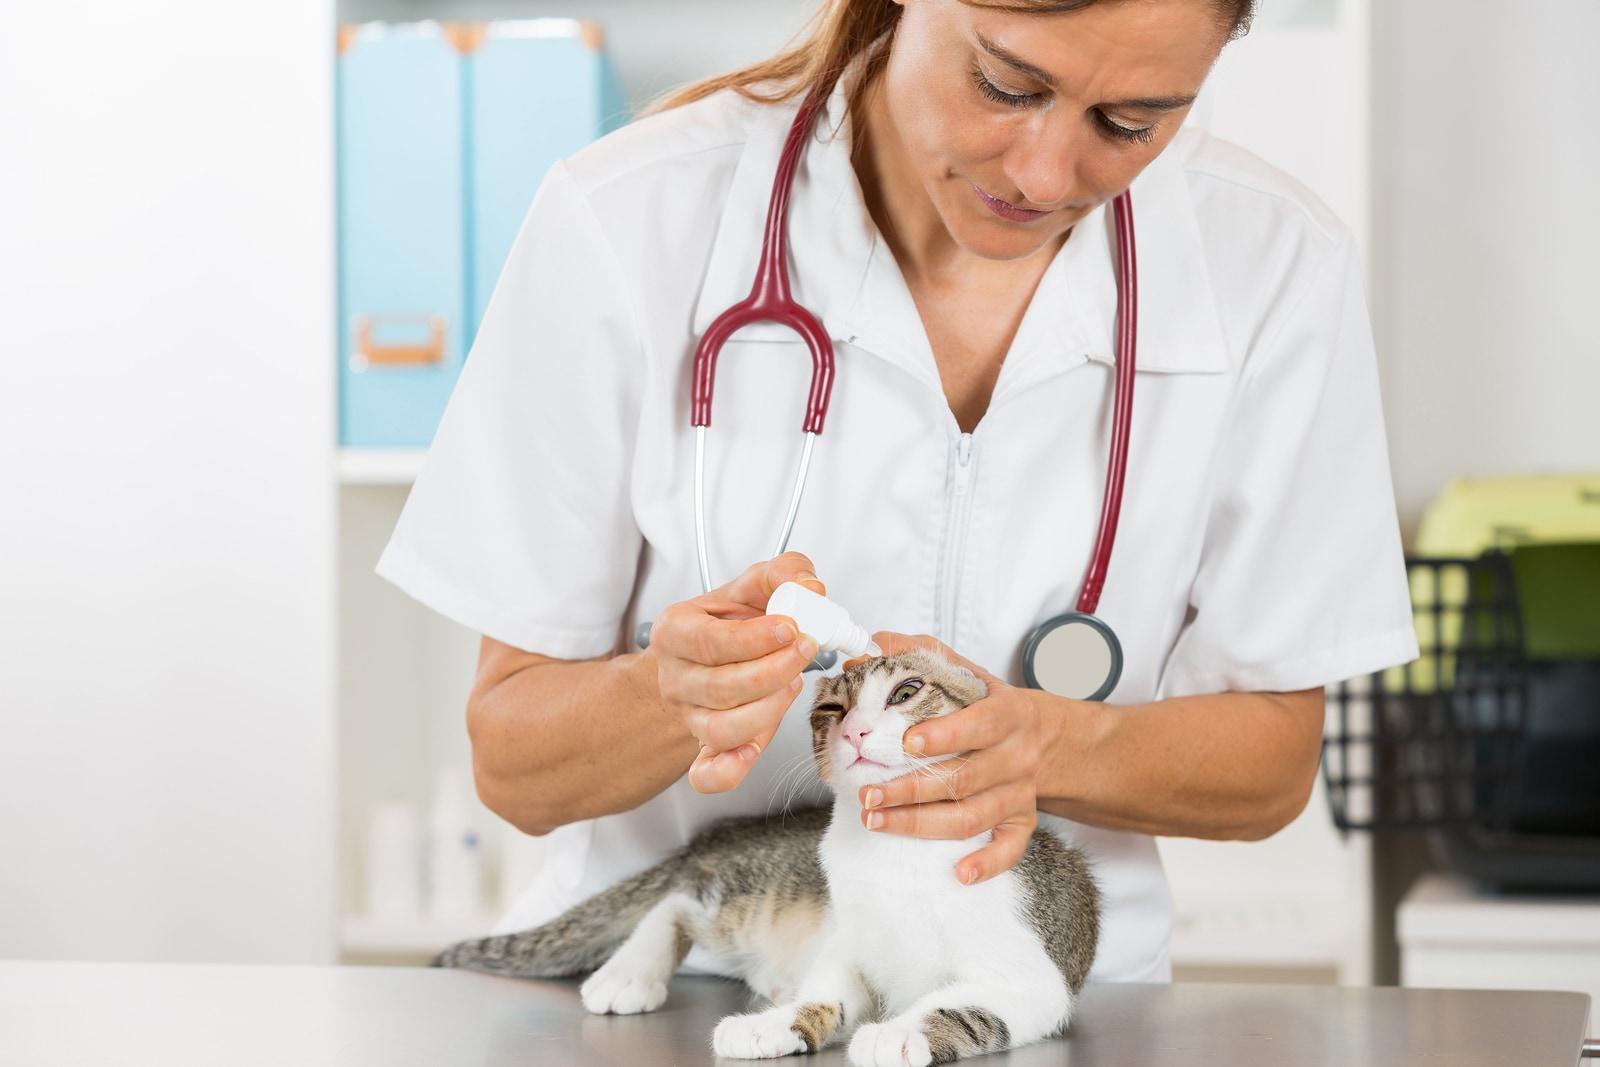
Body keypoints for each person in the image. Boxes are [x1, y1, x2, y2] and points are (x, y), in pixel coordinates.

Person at [376, 0, 1418, 983]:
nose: (1045, 171)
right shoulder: (632, 216)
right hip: (683, 983)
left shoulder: (1271, 262)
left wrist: (1048, 744)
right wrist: (667, 694)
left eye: (1130, 122)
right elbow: (515, 766)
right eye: (1005, 85)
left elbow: (1271, 766)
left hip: (1033, 999)